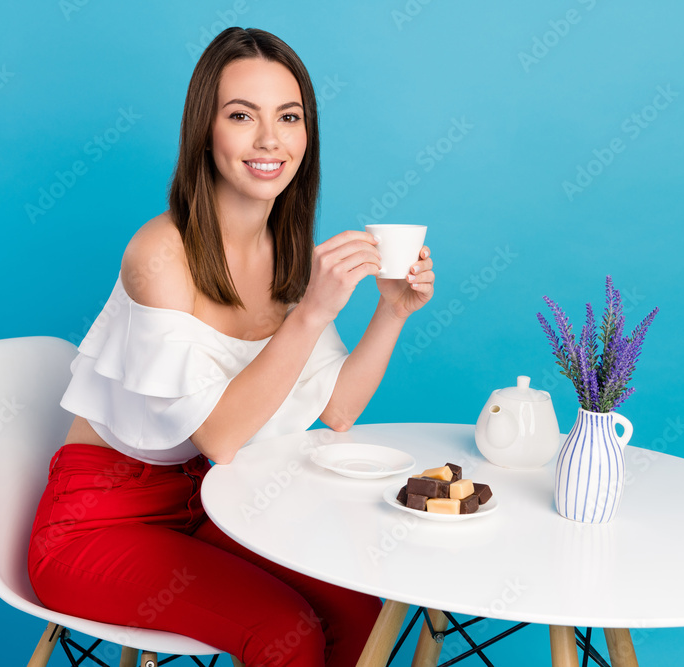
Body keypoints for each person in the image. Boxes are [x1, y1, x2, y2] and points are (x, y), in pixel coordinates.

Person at [27, 27, 435, 667]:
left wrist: (391, 311)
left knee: (360, 607)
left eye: (289, 117)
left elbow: (339, 410)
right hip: (102, 522)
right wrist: (312, 313)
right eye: (242, 115)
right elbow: (219, 438)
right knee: (285, 635)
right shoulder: (159, 253)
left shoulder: (288, 251)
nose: (270, 139)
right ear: (205, 132)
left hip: (214, 504)